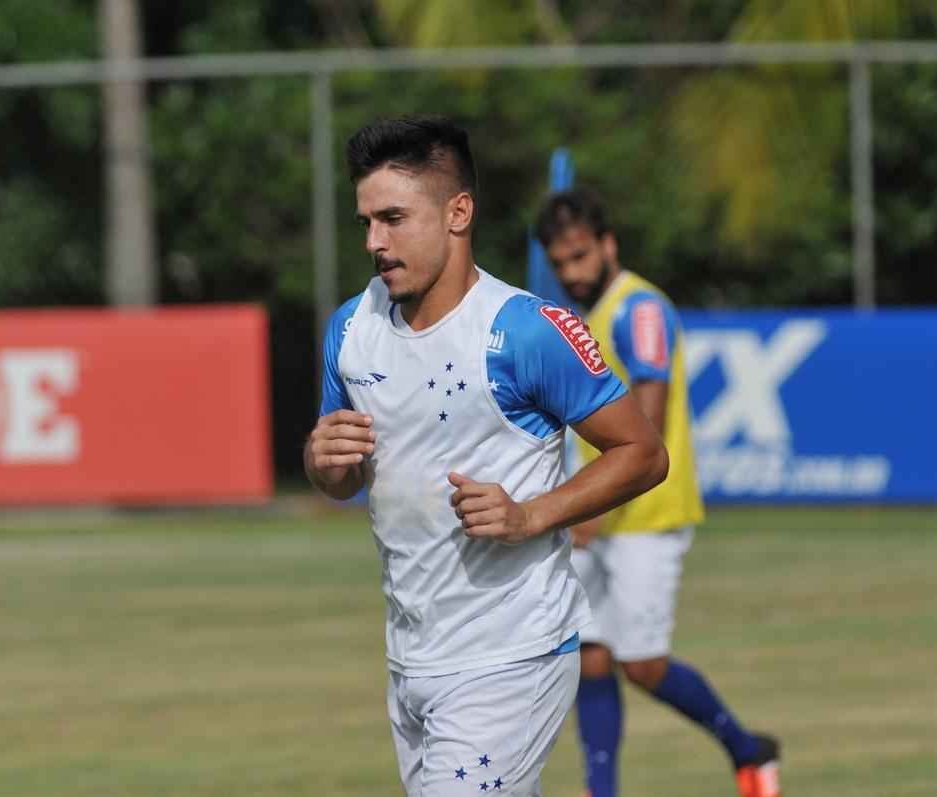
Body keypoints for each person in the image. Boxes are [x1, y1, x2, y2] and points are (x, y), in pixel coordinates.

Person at [304, 116, 668, 796]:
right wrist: (324, 460)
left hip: (512, 655)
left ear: (458, 212)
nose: (374, 242)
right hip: (411, 659)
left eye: (392, 218)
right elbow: (338, 477)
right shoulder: (351, 329)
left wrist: (532, 515)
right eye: (366, 221)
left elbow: (643, 452)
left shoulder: (525, 332)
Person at [536, 188, 780, 797]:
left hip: (645, 514)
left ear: (608, 245)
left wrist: (592, 503)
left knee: (641, 664)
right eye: (561, 262)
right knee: (588, 657)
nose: (572, 272)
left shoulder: (638, 309)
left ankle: (748, 751)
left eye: (581, 256)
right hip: (596, 513)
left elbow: (646, 423)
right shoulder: (582, 318)